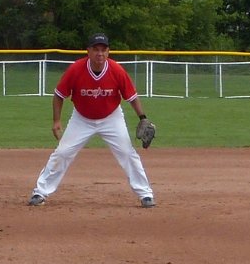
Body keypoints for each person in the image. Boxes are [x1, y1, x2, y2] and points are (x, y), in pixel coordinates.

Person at [27, 32, 155, 208]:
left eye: (103, 50)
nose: (100, 54)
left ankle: (145, 194)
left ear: (108, 52)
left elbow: (131, 97)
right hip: (82, 119)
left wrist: (143, 117)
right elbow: (58, 96)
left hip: (111, 118)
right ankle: (40, 192)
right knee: (63, 153)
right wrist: (56, 121)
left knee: (127, 153)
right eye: (96, 49)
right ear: (88, 51)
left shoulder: (116, 70)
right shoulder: (76, 69)